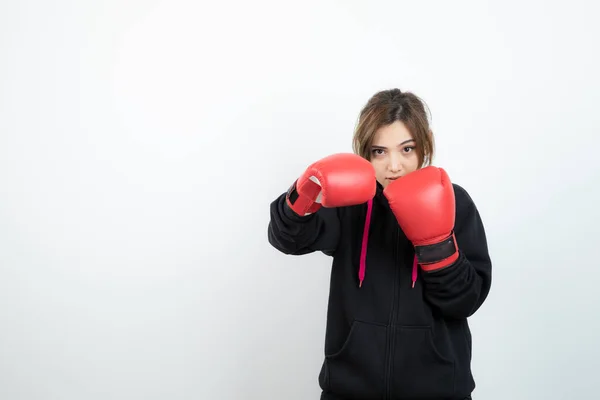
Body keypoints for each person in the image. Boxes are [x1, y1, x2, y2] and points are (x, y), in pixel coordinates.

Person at [267, 88, 492, 400]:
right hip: (350, 390)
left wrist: (437, 245)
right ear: (365, 152)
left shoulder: (455, 202)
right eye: (380, 152)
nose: (394, 166)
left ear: (424, 145)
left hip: (438, 391)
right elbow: (287, 239)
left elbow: (465, 301)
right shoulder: (351, 203)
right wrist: (304, 193)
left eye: (406, 149)